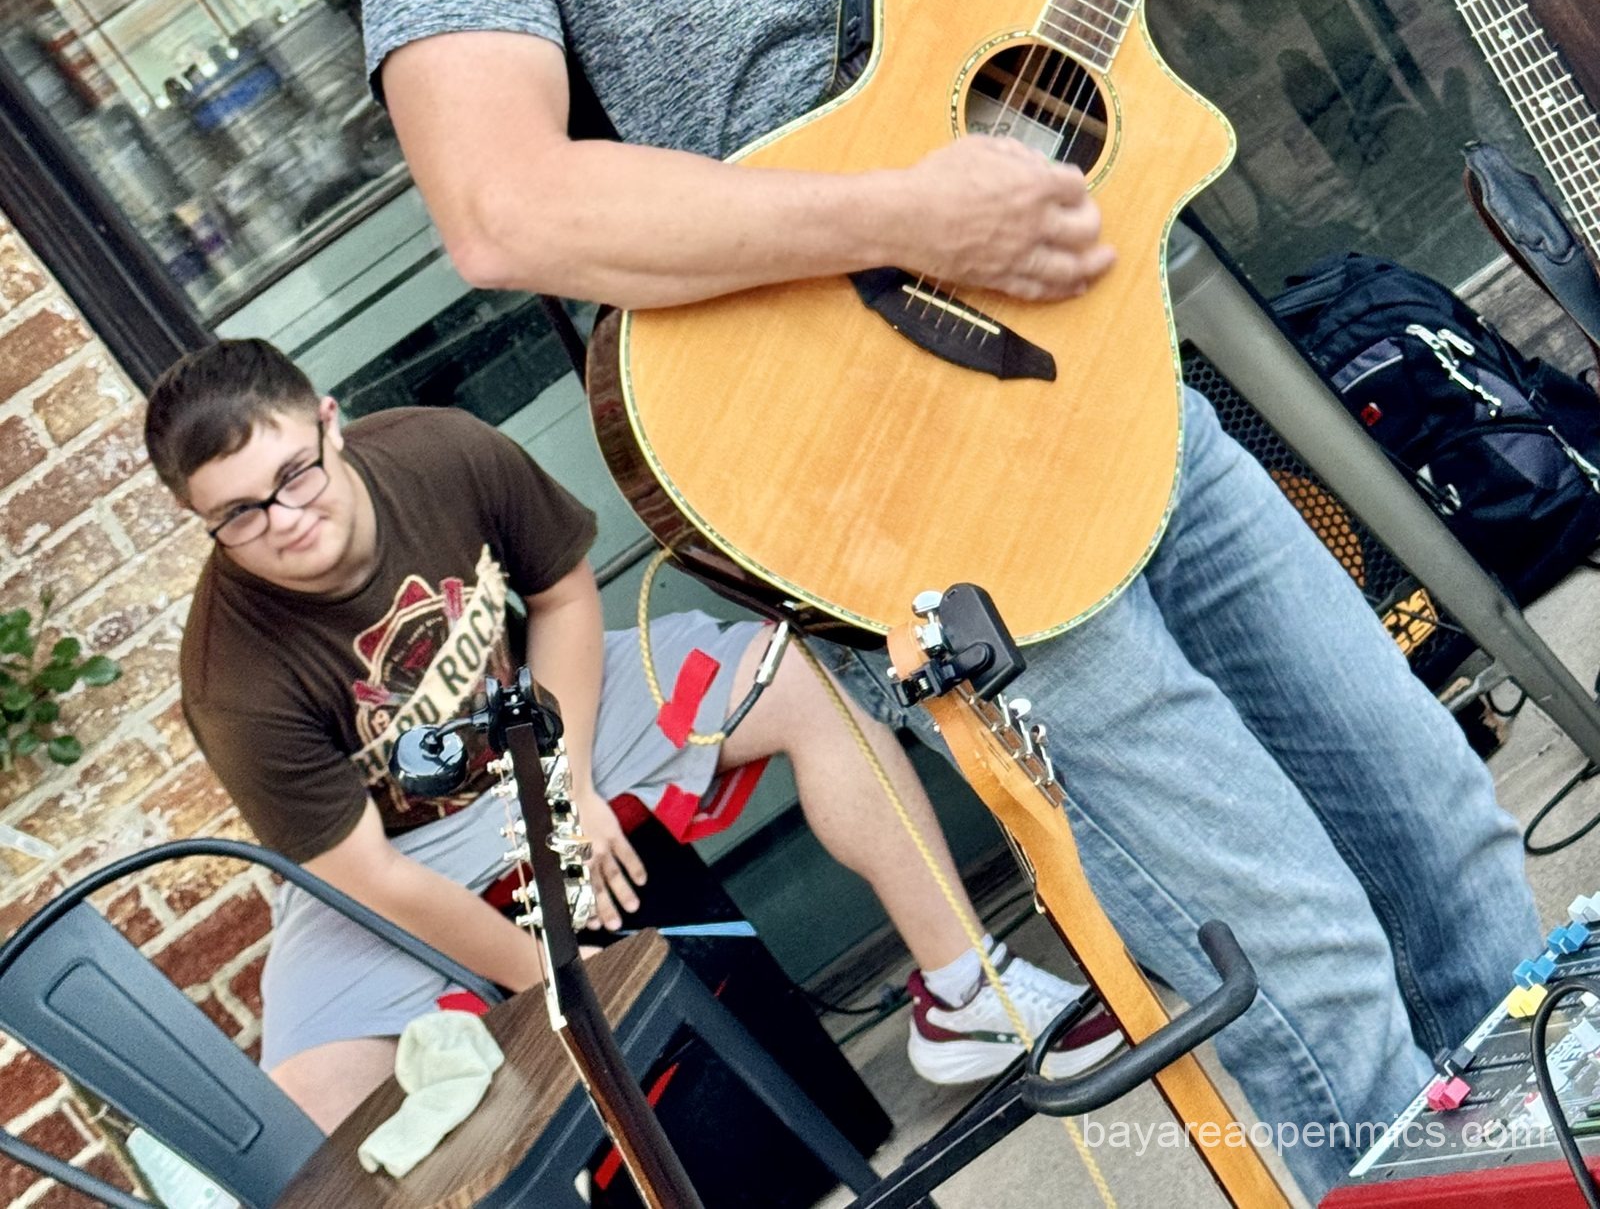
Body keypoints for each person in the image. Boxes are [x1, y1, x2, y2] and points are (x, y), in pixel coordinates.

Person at [229, 0, 1540, 1200]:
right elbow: (504, 207)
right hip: (918, 495)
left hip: (1101, 385)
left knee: (1441, 828)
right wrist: (911, 218)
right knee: (1304, 964)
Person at [154, 339, 1119, 1131]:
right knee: (310, 1102)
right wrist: (570, 993)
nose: (286, 517)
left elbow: (563, 597)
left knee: (792, 678)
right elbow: (371, 876)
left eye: (295, 472)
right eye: (239, 513)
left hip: (540, 717)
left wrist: (563, 782)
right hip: (401, 841)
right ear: (201, 519)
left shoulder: (440, 450)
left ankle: (967, 991)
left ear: (329, 421)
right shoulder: (229, 674)